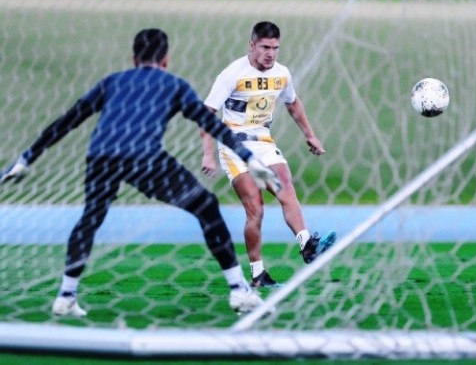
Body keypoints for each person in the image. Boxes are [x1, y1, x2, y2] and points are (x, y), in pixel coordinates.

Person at [0, 29, 279, 317]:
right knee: (207, 207)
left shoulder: (112, 82)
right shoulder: (174, 85)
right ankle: (239, 291)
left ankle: (66, 295)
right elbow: (213, 125)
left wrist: (26, 158)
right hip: (143, 157)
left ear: (134, 58)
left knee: (91, 217)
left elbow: (68, 120)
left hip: (100, 156)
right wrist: (250, 159)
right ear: (166, 59)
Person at [201, 21, 336, 289]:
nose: (270, 53)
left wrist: (310, 134)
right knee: (256, 209)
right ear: (251, 45)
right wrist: (208, 154)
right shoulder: (232, 74)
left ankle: (307, 245)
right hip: (233, 146)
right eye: (264, 47)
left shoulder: (282, 74)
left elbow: (293, 104)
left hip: (263, 142)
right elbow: (206, 114)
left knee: (286, 188)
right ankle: (258, 274)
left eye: (275, 47)